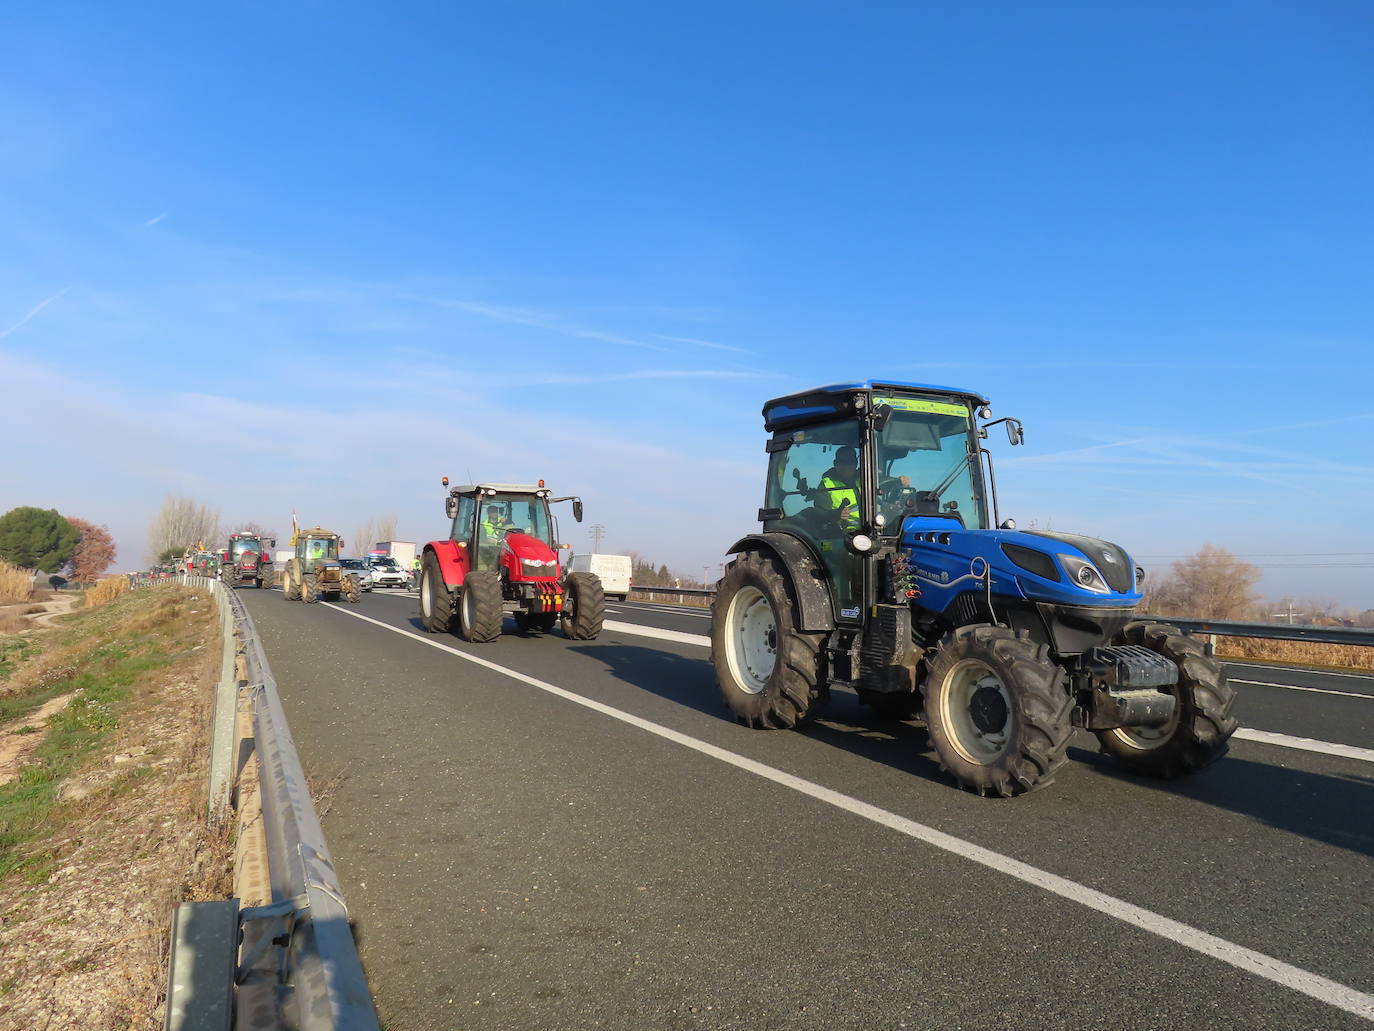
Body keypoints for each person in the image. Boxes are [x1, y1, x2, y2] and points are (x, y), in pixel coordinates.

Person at [817, 445, 862, 532]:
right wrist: (836, 514)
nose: (846, 466)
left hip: (869, 532)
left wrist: (896, 483)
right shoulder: (826, 484)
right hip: (839, 535)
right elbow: (820, 514)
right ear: (835, 463)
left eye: (850, 462)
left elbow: (885, 482)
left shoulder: (867, 478)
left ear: (856, 463)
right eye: (841, 462)